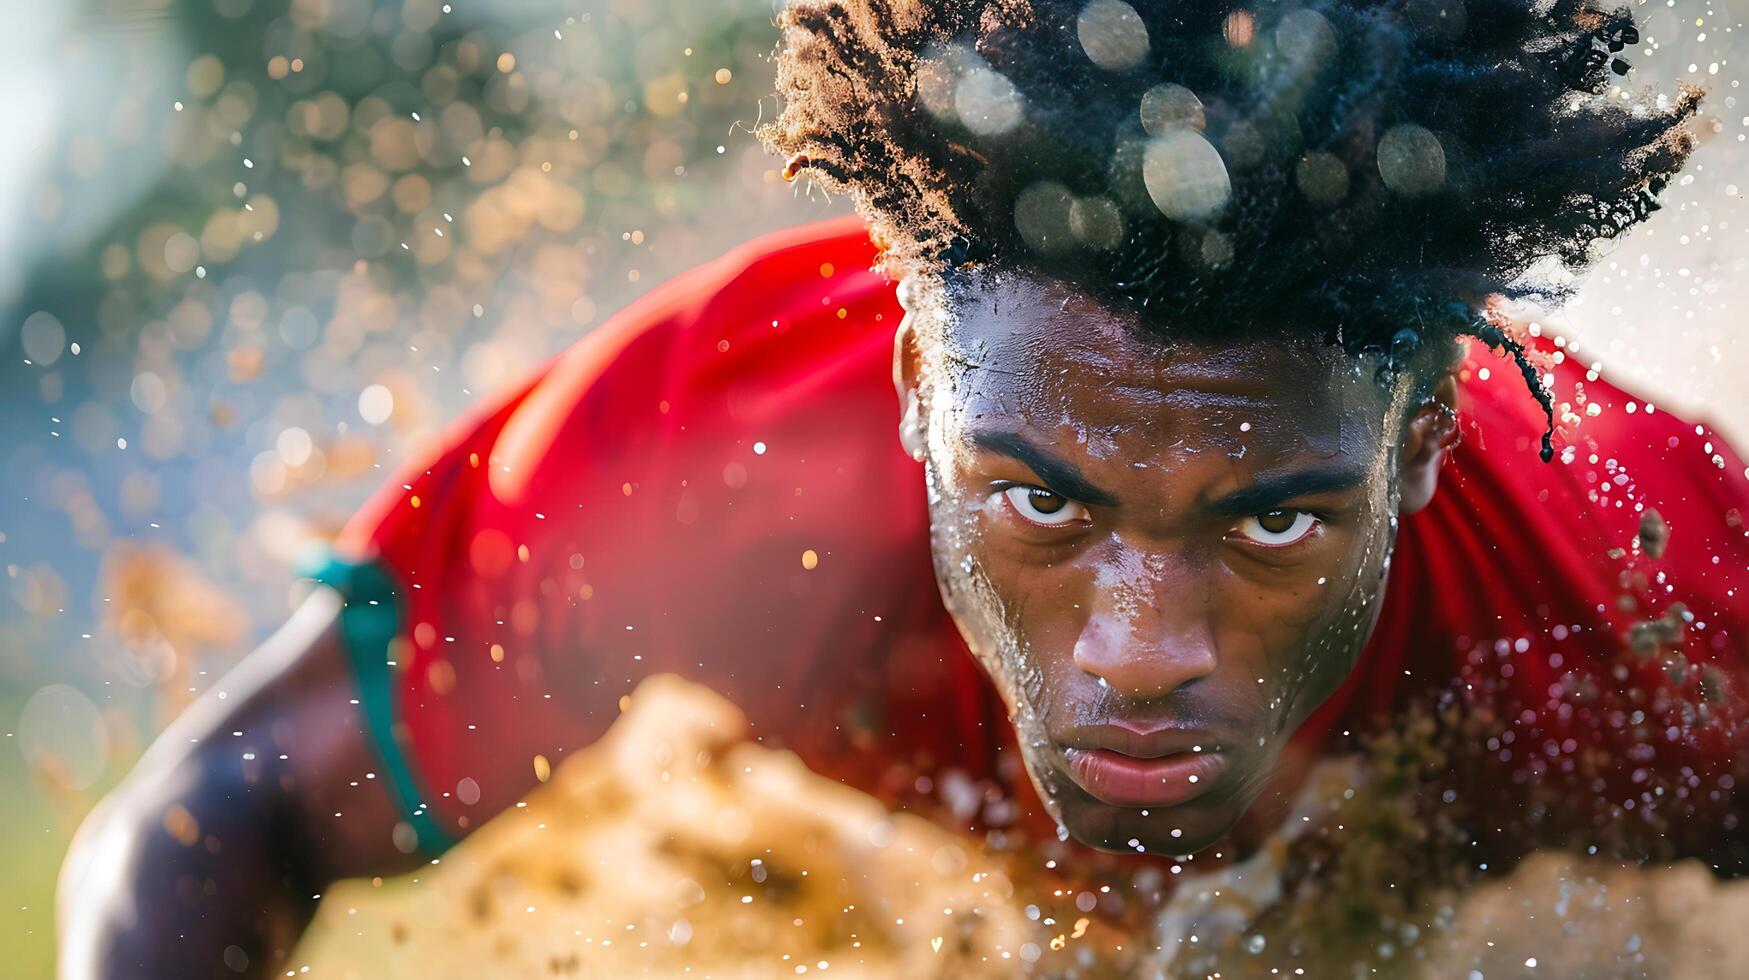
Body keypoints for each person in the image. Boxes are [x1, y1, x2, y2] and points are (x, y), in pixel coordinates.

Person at [58, 0, 1749, 976]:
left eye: (1272, 520)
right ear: (912, 391)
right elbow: (222, 817)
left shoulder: (1641, 613)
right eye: (1042, 505)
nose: (1138, 651)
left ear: (1421, 449)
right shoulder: (719, 469)